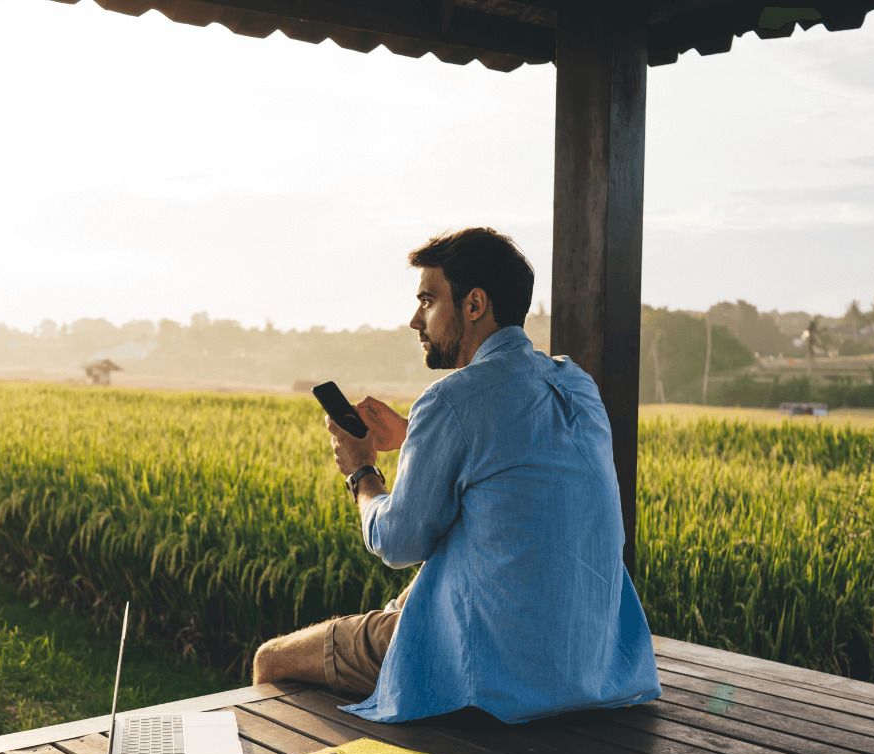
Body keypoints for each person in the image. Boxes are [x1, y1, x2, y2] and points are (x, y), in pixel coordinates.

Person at [252, 227, 661, 724]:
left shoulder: (452, 401)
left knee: (270, 659)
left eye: (427, 301)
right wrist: (415, 437)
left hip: (492, 664)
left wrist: (362, 471)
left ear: (473, 305)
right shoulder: (575, 383)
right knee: (417, 592)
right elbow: (516, 460)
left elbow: (397, 543)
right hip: (595, 666)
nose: (413, 320)